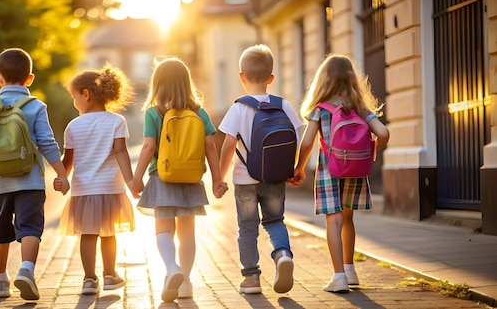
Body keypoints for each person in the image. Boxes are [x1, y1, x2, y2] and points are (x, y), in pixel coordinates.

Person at [0, 48, 70, 300]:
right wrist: (61, 173)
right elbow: (47, 142)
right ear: (30, 78)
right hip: (30, 181)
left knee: (0, 232)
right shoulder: (36, 106)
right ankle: (26, 269)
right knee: (30, 229)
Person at [289, 54, 390, 292]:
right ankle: (350, 269)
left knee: (333, 220)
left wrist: (300, 168)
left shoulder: (320, 109)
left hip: (329, 168)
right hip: (356, 167)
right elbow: (383, 133)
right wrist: (373, 149)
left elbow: (307, 143)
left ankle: (338, 277)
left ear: (323, 81)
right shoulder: (360, 109)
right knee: (347, 218)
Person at [132, 57, 228, 302]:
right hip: (191, 179)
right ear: (187, 83)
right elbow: (211, 147)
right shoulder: (199, 112)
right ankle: (185, 282)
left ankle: (171, 268)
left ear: (158, 84)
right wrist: (217, 179)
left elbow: (147, 147)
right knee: (187, 234)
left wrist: (136, 178)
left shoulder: (154, 113)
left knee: (163, 230)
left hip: (162, 177)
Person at [218, 44, 303, 294]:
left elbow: (227, 146)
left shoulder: (238, 108)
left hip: (245, 180)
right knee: (275, 220)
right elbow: (296, 137)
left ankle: (251, 278)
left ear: (241, 77)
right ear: (271, 78)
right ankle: (283, 254)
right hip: (275, 177)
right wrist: (295, 167)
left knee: (247, 227)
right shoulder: (283, 105)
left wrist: (219, 178)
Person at [54, 65, 137, 295]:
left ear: (86, 95)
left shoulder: (73, 126)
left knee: (88, 235)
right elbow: (121, 152)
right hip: (110, 188)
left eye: (74, 97)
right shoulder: (117, 121)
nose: (74, 103)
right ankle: (110, 275)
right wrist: (131, 182)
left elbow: (68, 159)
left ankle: (89, 279)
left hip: (84, 190)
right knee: (109, 233)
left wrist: (62, 177)